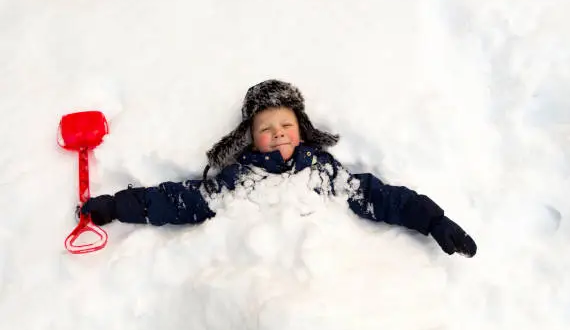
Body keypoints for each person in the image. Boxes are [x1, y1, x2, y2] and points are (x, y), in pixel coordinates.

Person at [81, 79, 477, 257]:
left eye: (287, 125)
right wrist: (115, 207)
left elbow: (381, 198)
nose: (279, 134)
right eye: (266, 129)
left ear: (302, 131)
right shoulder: (239, 182)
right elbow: (177, 201)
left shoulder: (324, 173)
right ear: (251, 140)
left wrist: (433, 220)